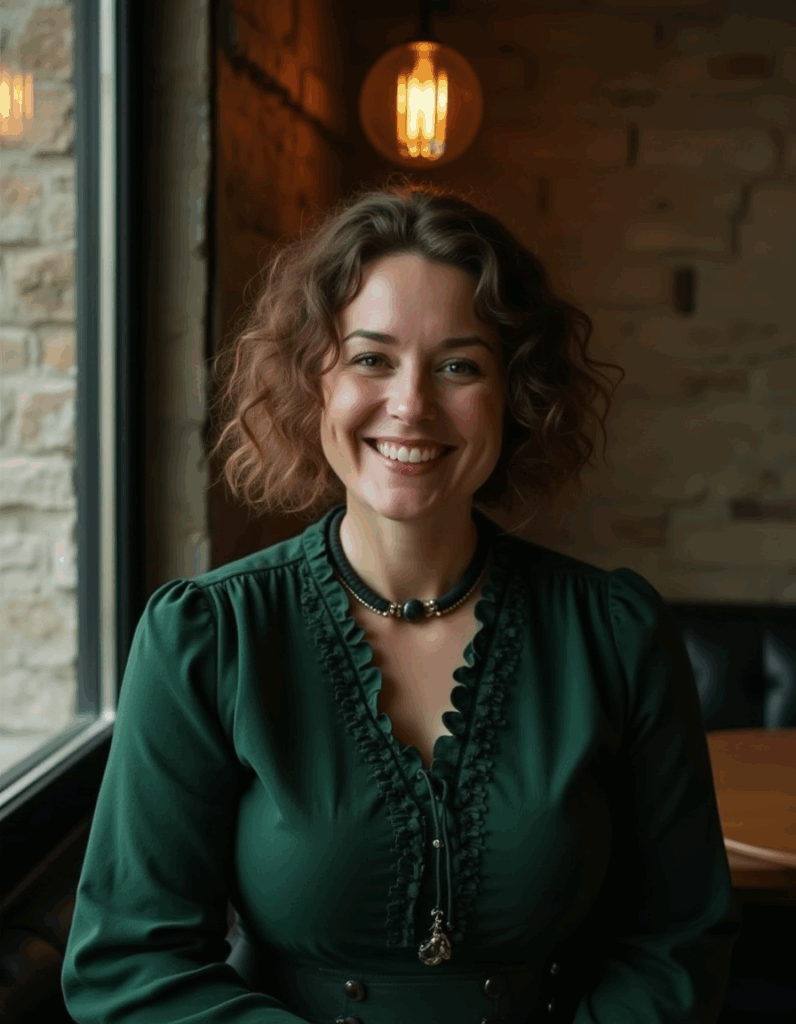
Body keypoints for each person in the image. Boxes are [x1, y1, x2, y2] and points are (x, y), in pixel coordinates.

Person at [62, 180, 742, 1024]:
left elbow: (679, 942)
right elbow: (129, 965)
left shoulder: (616, 632)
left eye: (459, 364)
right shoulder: (207, 637)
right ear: (315, 383)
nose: (411, 404)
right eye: (371, 358)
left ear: (515, 395)